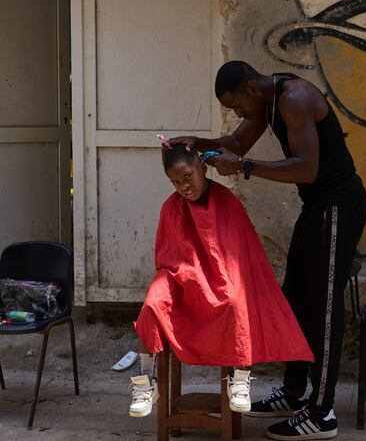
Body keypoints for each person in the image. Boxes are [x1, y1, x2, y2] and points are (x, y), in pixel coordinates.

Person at [169, 61, 366, 441]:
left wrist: (243, 168)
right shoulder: (266, 101)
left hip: (338, 207)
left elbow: (306, 169)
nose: (237, 113)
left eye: (236, 104)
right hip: (317, 208)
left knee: (323, 308)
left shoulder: (294, 98)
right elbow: (238, 143)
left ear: (251, 86)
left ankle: (322, 413)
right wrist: (199, 144)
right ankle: (293, 393)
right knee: (293, 297)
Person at [129, 143, 313, 419]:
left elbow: (238, 257)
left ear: (202, 168)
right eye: (176, 182)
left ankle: (240, 377)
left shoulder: (227, 202)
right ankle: (146, 382)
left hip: (223, 276)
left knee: (237, 300)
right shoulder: (171, 207)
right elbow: (167, 258)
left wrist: (209, 280)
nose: (184, 187)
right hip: (182, 277)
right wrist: (189, 277)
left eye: (188, 176)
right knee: (152, 304)